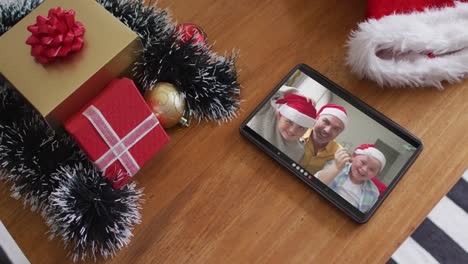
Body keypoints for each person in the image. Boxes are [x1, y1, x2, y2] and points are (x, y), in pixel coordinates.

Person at [247, 89, 317, 162]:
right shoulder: (267, 110)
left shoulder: (298, 151)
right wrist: (294, 93)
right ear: (280, 115)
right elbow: (265, 88)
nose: (292, 130)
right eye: (289, 122)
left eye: (301, 127)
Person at [316, 144, 386, 212]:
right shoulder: (337, 165)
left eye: (371, 169)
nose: (364, 169)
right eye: (363, 162)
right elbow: (316, 182)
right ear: (353, 156)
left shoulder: (374, 192)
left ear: (377, 174)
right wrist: (336, 167)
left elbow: (366, 216)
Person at [299, 104, 349, 174]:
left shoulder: (338, 155)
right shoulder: (297, 132)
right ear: (316, 118)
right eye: (326, 122)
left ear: (339, 133)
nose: (327, 130)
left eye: (336, 128)